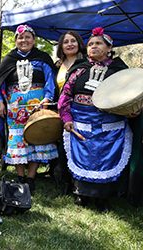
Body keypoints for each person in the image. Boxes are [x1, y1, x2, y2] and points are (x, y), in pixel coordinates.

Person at [58, 27, 130, 212]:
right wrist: (66, 117)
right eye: (90, 44)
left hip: (109, 125)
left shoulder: (119, 72)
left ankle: (102, 199)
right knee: (83, 158)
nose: (93, 47)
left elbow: (130, 97)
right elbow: (65, 96)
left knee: (105, 159)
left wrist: (131, 111)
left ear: (109, 47)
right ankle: (82, 195)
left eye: (98, 43)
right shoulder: (79, 70)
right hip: (81, 123)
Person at [0, 24, 58, 192]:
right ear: (15, 41)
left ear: (34, 40)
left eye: (28, 37)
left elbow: (50, 80)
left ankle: (31, 178)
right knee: (18, 140)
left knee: (36, 139)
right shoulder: (8, 59)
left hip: (37, 107)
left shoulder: (42, 58)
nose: (24, 40)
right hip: (15, 109)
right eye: (20, 37)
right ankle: (20, 176)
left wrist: (48, 98)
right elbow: (0, 84)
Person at [52, 31, 87, 195]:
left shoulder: (86, 64)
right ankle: (63, 180)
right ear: (61, 46)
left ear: (79, 43)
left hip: (79, 110)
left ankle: (76, 182)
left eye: (73, 41)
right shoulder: (58, 65)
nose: (69, 44)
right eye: (66, 42)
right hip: (59, 108)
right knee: (61, 146)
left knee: (75, 145)